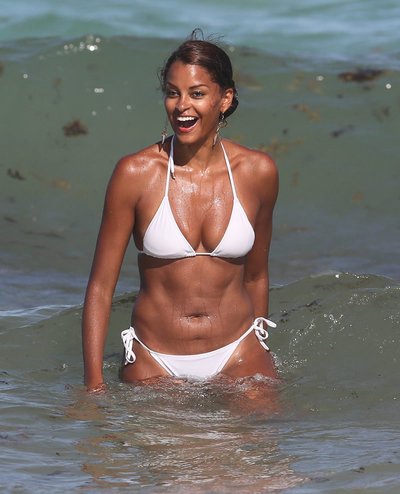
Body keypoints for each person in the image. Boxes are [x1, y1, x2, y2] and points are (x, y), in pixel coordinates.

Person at [82, 31, 279, 392]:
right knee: (169, 432)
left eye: (197, 94)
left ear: (225, 99)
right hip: (155, 358)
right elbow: (100, 287)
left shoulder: (257, 172)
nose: (181, 106)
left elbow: (256, 276)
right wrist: (93, 386)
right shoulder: (135, 173)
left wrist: (259, 342)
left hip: (238, 351)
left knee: (267, 428)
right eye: (173, 93)